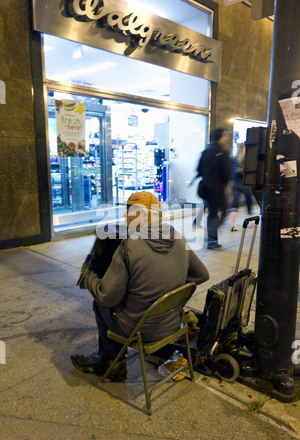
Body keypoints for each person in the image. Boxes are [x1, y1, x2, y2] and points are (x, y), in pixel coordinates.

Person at [71, 191, 210, 381]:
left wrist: (89, 278)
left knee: (101, 305)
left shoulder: (129, 248)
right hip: (172, 324)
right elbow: (202, 274)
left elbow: (107, 296)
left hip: (139, 329)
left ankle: (113, 365)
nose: (124, 216)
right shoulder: (177, 238)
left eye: (128, 211)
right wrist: (167, 286)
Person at [196, 128, 231, 249]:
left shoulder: (205, 151)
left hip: (206, 187)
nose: (226, 138)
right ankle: (212, 239)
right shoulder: (222, 152)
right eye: (225, 135)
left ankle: (210, 235)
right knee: (222, 211)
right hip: (218, 188)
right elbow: (226, 172)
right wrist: (225, 183)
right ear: (221, 137)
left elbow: (199, 169)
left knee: (212, 212)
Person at [229, 142, 253, 231]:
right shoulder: (247, 159)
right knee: (248, 201)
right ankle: (250, 223)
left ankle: (233, 225)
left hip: (235, 182)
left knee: (235, 203)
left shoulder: (234, 158)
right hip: (244, 182)